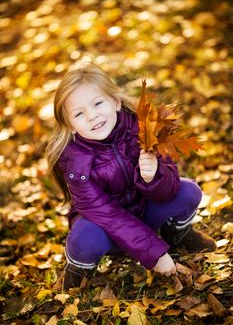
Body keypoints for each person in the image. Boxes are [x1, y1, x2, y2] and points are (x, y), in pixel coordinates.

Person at [46, 62, 216, 289]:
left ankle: (177, 234)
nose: (92, 116)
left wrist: (153, 178)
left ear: (115, 102)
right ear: (71, 126)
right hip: (108, 230)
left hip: (146, 211)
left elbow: (170, 187)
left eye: (98, 103)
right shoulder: (75, 162)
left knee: (187, 191)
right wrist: (154, 254)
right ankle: (78, 269)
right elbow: (106, 214)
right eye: (79, 113)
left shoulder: (142, 128)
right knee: (83, 236)